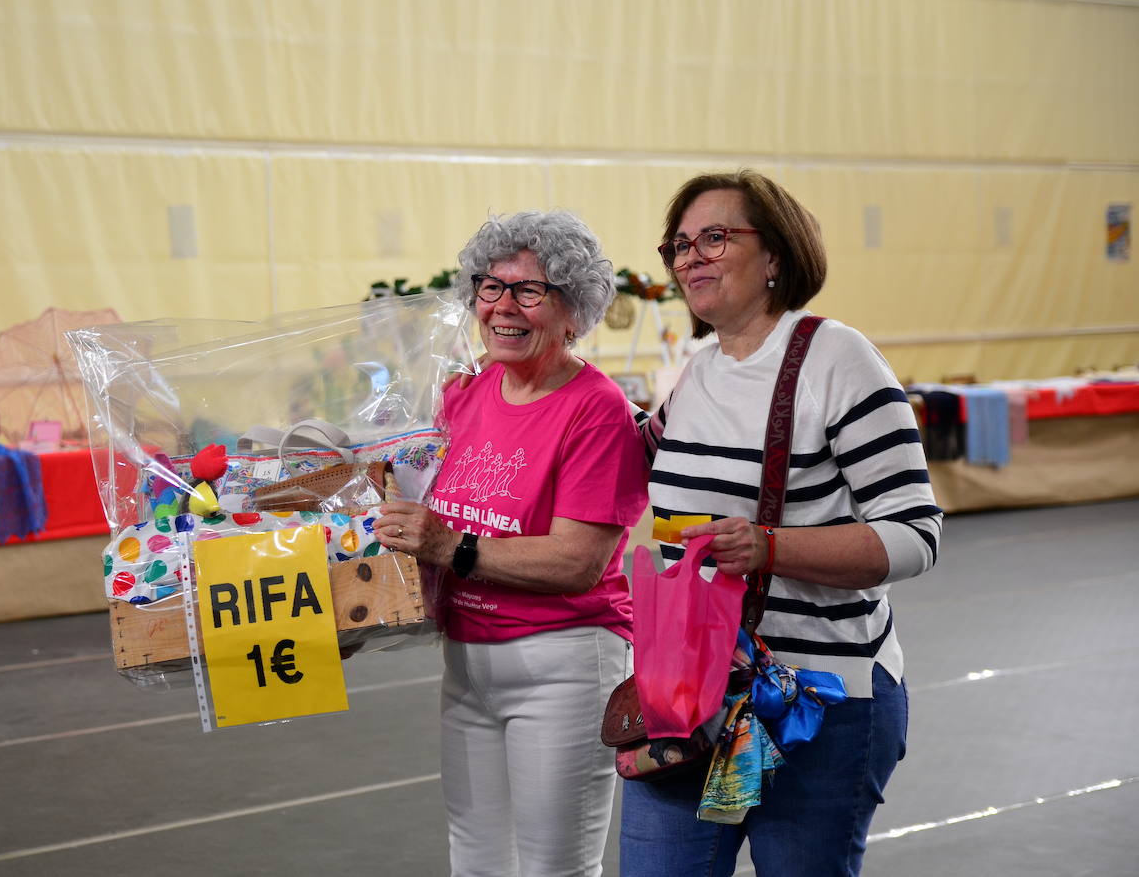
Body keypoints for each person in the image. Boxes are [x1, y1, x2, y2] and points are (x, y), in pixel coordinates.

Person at [621, 170, 943, 877]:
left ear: (775, 257)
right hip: (691, 696)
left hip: (817, 706)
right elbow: (617, 462)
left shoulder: (837, 358)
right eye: (679, 245)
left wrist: (768, 547)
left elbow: (916, 536)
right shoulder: (699, 370)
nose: (690, 258)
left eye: (714, 237)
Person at [375, 209, 650, 877]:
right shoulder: (460, 393)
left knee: (553, 868)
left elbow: (577, 562)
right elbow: (408, 493)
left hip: (561, 666)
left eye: (529, 290)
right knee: (476, 866)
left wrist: (452, 547)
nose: (503, 306)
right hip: (466, 664)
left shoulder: (597, 409)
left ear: (572, 311)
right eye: (489, 287)